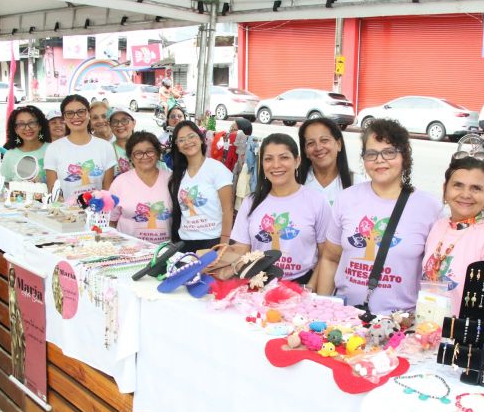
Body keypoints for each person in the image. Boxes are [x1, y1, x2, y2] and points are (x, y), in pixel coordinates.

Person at [316, 119, 442, 314]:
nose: (379, 160)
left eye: (389, 152)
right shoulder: (346, 199)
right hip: (345, 318)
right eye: (371, 153)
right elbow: (330, 259)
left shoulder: (429, 207)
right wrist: (323, 309)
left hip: (398, 325)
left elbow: (434, 277)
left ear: (404, 156)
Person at [230, 133, 331, 288]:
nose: (276, 165)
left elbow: (326, 255)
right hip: (258, 286)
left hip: (301, 286)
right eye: (268, 159)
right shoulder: (250, 202)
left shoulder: (317, 200)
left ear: (297, 161)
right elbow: (242, 251)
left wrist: (309, 289)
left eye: (284, 157)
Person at [421, 152, 484, 314]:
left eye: (476, 188)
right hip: (426, 329)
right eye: (458, 185)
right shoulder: (439, 226)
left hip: (460, 336)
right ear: (445, 189)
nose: (465, 194)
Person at [167, 121, 233, 252]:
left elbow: (228, 209)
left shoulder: (217, 169)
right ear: (177, 146)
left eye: (191, 136)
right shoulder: (178, 174)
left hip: (213, 241)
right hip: (184, 242)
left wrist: (224, 244)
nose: (187, 142)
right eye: (181, 140)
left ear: (201, 139)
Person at [45, 94, 117, 201]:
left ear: (88, 114)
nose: (76, 117)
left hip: (97, 214)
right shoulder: (53, 149)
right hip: (65, 215)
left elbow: (107, 191)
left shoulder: (106, 147)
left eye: (81, 111)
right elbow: (53, 193)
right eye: (69, 113)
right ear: (64, 117)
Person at [109, 131, 172, 243]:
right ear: (130, 157)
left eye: (150, 151)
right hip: (129, 251)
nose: (145, 156)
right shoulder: (120, 183)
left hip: (165, 251)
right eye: (138, 153)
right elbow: (111, 222)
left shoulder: (171, 180)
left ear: (157, 154)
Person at [297, 117, 364, 205]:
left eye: (324, 140)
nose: (318, 147)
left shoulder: (357, 184)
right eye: (311, 143)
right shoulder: (295, 183)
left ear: (339, 144)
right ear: (305, 151)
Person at [0, 105, 51, 182]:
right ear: (15, 129)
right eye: (21, 124)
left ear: (40, 126)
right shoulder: (10, 155)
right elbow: (5, 184)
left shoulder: (52, 149)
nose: (27, 128)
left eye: (31, 123)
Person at [109, 106, 136, 175]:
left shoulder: (145, 147)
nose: (119, 125)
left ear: (134, 123)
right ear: (110, 126)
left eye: (124, 120)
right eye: (114, 121)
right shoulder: (108, 150)